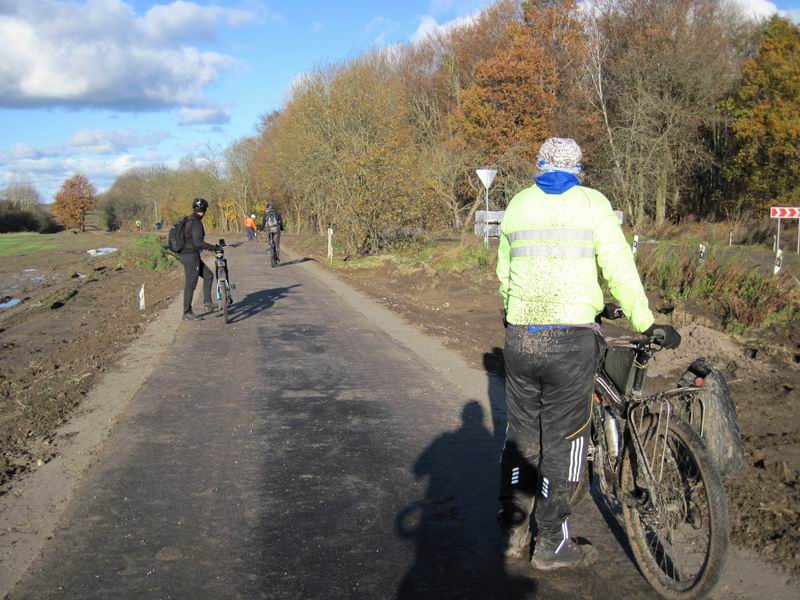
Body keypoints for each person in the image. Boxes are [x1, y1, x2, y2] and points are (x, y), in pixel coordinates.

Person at [495, 138, 680, 570]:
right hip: (570, 343)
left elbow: (505, 273)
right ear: (579, 168)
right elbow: (618, 264)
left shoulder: (518, 205)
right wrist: (644, 320)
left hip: (522, 337)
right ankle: (552, 545)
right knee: (565, 442)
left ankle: (512, 529)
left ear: (539, 166)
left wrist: (514, 313)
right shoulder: (592, 203)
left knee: (522, 437)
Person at [178, 198, 220, 321]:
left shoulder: (187, 220)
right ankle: (187, 312)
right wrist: (214, 248)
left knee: (208, 275)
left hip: (186, 255)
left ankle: (207, 303)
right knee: (191, 284)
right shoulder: (196, 222)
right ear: (204, 210)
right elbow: (198, 243)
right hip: (190, 256)